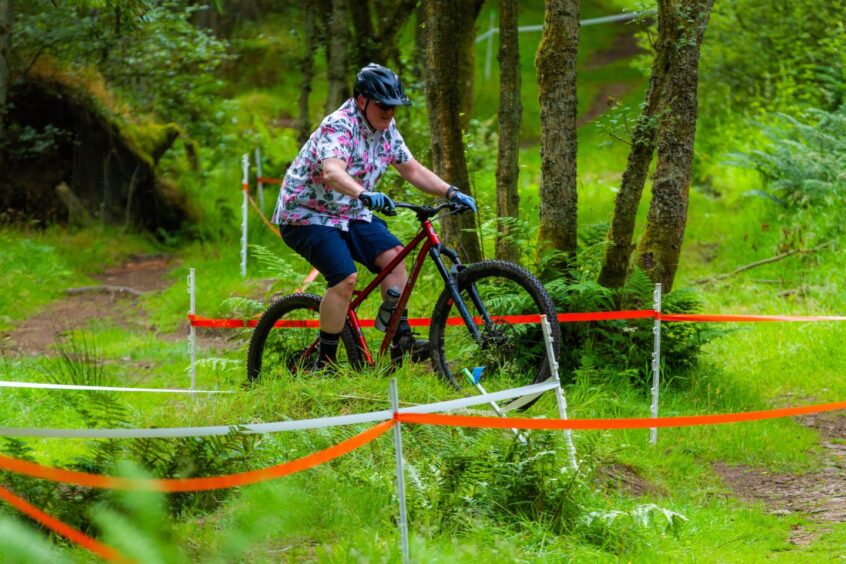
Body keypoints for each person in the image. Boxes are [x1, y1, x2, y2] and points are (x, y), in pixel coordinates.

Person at [272, 63, 476, 370]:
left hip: (348, 211)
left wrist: (451, 192)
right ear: (362, 100)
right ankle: (324, 362)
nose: (389, 112)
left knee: (394, 256)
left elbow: (414, 170)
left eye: (394, 107)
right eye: (383, 105)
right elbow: (331, 170)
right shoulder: (339, 126)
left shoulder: (387, 130)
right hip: (306, 214)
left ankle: (399, 342)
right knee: (345, 278)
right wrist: (363, 193)